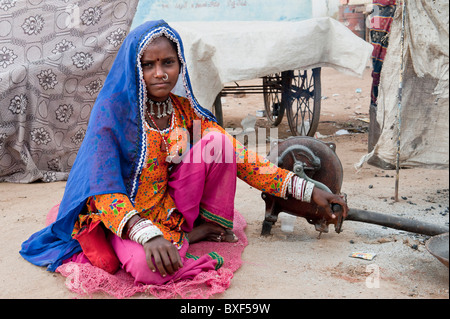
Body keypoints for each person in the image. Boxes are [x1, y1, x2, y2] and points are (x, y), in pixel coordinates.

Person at [20, 20, 348, 286]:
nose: (159, 73)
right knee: (148, 270)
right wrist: (146, 235)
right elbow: (102, 187)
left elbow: (241, 157)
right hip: (123, 212)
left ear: (180, 65)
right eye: (148, 65)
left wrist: (309, 190)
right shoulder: (113, 114)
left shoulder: (184, 111)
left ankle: (195, 229)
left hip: (168, 205)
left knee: (219, 145)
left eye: (168, 63)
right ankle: (186, 237)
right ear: (135, 68)